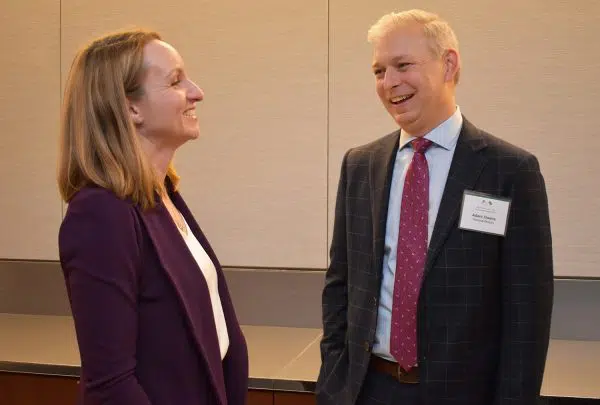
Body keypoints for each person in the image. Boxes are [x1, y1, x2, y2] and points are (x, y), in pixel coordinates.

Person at [316, 9, 553, 405]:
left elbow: (527, 314)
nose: (389, 82)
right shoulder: (360, 165)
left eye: (402, 65)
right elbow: (340, 284)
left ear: (448, 65)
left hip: (465, 395)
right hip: (367, 389)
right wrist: (333, 381)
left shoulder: (509, 171)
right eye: (379, 71)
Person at [57, 29, 248, 405]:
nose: (197, 92)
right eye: (176, 81)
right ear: (131, 108)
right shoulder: (100, 213)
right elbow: (111, 386)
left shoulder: (163, 196)